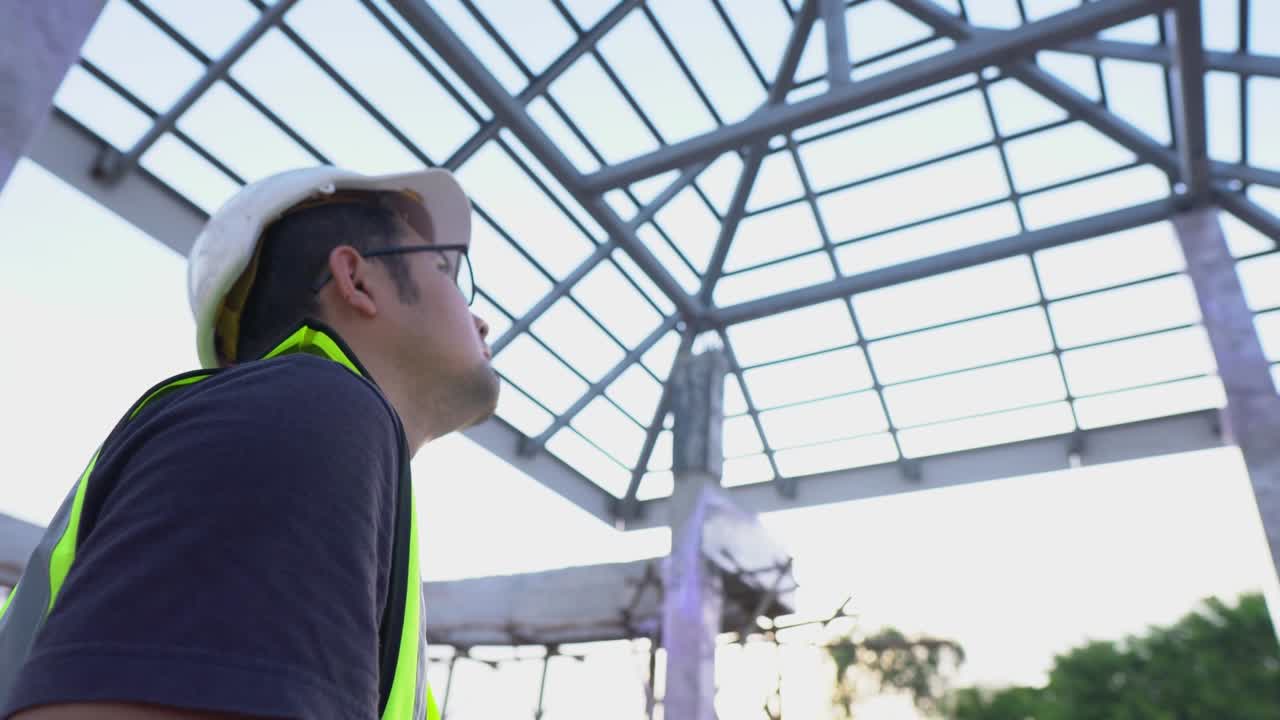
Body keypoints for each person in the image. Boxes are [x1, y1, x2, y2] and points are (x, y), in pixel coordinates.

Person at [0, 166, 499, 720]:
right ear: (356, 280)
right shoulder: (306, 412)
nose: (481, 321)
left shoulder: (292, 423)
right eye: (445, 270)